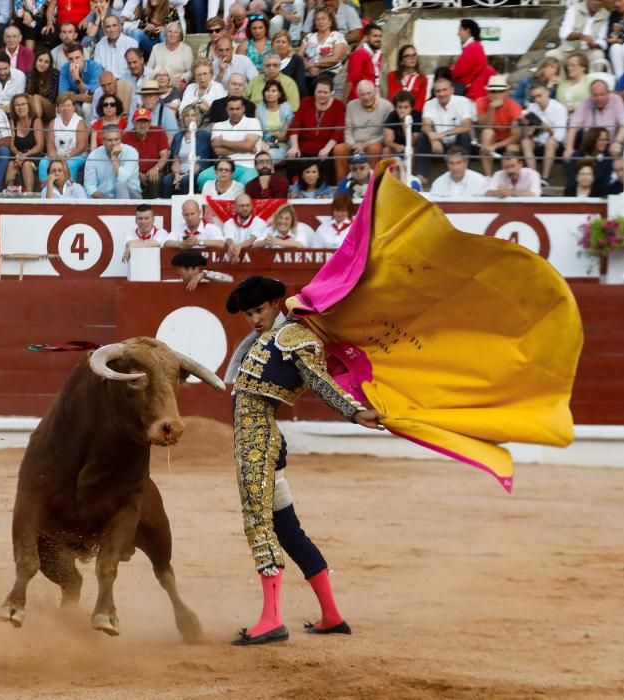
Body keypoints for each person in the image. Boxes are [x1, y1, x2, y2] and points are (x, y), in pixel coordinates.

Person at [224, 275, 383, 646]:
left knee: (257, 523)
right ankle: (331, 614)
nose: (254, 318)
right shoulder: (265, 339)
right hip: (259, 440)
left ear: (276, 304)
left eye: (259, 310)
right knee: (288, 530)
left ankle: (272, 619)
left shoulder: (295, 336)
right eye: (248, 313)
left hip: (258, 442)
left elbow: (318, 379)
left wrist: (353, 412)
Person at [287, 75, 344, 186]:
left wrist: (327, 149)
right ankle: (295, 187)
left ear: (331, 92)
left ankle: (327, 188)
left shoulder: (338, 105)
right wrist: (294, 146)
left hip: (326, 146)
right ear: (314, 91)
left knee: (329, 158)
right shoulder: (306, 102)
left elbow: (338, 130)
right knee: (291, 156)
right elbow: (295, 124)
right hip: (304, 146)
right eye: (319, 92)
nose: (321, 95)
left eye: (325, 92)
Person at [415, 77, 473, 181]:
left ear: (452, 90)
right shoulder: (429, 104)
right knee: (423, 136)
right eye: (438, 91)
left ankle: (465, 173)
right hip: (439, 145)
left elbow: (467, 126)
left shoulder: (463, 102)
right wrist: (433, 138)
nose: (441, 94)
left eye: (444, 90)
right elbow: (426, 124)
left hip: (457, 143)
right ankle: (421, 175)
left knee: (464, 136)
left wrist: (442, 134)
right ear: (434, 92)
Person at [332, 80, 391, 181]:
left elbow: (384, 134)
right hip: (354, 143)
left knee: (375, 150)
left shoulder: (386, 106)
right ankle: (342, 185)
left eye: (369, 93)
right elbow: (348, 130)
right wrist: (354, 145)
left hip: (374, 141)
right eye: (363, 95)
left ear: (375, 92)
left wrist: (366, 144)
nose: (367, 97)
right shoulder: (351, 105)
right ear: (358, 95)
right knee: (339, 149)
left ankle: (371, 183)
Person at [200, 95, 263, 188]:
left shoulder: (253, 122)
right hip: (223, 166)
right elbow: (218, 151)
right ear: (226, 109)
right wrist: (245, 148)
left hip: (247, 166)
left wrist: (222, 142)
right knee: (202, 178)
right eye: (231, 109)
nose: (234, 112)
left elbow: (248, 145)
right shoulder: (218, 126)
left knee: (248, 182)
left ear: (243, 109)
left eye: (237, 109)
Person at [521, 82, 569, 186]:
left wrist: (548, 129)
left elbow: (559, 136)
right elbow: (527, 127)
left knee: (551, 142)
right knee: (525, 141)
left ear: (547, 93)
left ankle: (545, 177)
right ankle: (533, 176)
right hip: (538, 141)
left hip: (556, 144)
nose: (537, 100)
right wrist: (530, 131)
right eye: (534, 97)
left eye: (539, 96)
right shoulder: (532, 108)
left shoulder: (559, 108)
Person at [160, 104, 213, 198]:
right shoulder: (178, 136)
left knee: (186, 181)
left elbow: (201, 163)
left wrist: (184, 176)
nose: (190, 118)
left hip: (196, 172)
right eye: (187, 115)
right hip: (179, 172)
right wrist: (177, 175)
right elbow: (175, 159)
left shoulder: (205, 136)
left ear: (198, 118)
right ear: (183, 118)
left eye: (193, 115)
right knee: (166, 180)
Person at [565, 79, 624, 157]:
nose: (598, 98)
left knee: (616, 151)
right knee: (569, 157)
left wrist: (617, 142)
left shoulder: (616, 100)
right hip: (590, 146)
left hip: (609, 145)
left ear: (608, 93)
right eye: (595, 95)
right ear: (591, 94)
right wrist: (569, 148)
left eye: (601, 94)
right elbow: (573, 126)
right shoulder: (585, 102)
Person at [37, 92, 89, 185]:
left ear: (74, 107)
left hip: (77, 155)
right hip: (57, 155)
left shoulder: (80, 122)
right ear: (58, 108)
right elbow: (50, 144)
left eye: (68, 105)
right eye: (62, 105)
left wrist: (66, 156)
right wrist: (53, 156)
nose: (65, 108)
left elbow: (82, 147)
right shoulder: (53, 122)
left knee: (69, 165)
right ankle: (45, 190)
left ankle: (70, 190)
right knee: (43, 163)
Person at [476, 76, 523, 178]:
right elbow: (484, 126)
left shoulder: (514, 106)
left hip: (508, 141)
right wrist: (491, 107)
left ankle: (507, 178)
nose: (497, 95)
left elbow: (516, 136)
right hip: (489, 140)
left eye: (500, 91)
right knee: (487, 133)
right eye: (493, 91)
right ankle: (488, 176)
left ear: (506, 92)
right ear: (488, 92)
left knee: (512, 148)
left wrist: (495, 146)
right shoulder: (481, 101)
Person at [84, 123, 141, 198]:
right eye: (109, 140)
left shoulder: (131, 152)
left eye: (116, 139)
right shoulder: (94, 155)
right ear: (103, 141)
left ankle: (120, 209)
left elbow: (122, 179)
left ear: (120, 139)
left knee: (121, 185)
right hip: (104, 197)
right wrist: (106, 200)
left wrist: (114, 158)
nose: (114, 143)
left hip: (131, 196)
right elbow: (89, 185)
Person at [299, 7, 347, 96]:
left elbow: (336, 58)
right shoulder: (309, 37)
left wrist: (314, 64)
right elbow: (299, 57)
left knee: (317, 85)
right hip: (308, 71)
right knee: (299, 84)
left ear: (330, 22)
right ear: (315, 23)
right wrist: (307, 66)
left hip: (330, 72)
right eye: (317, 19)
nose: (320, 22)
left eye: (323, 19)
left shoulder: (337, 36)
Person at [122, 106, 168, 197]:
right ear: (133, 123)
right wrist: (138, 173)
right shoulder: (126, 137)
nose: (142, 125)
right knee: (123, 179)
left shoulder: (159, 132)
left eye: (145, 121)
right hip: (134, 171)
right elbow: (123, 161)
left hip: (154, 169)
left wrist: (156, 168)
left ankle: (155, 206)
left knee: (154, 178)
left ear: (150, 123)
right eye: (139, 121)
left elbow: (164, 155)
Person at [4, 92, 44, 192]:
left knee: (26, 164)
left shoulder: (36, 121)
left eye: (23, 104)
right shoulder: (12, 121)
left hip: (34, 154)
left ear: (29, 106)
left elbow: (40, 145)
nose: (20, 107)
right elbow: (12, 144)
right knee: (11, 164)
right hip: (19, 154)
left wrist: (25, 155)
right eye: (17, 105)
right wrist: (18, 154)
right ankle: (9, 192)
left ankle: (29, 194)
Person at [553, 0, 608, 68]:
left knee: (598, 56)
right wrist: (581, 36)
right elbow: (564, 33)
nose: (596, 3)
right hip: (570, 49)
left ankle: (591, 79)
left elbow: (603, 40)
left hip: (589, 51)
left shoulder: (606, 15)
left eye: (599, 1)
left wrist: (594, 44)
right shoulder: (574, 9)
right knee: (553, 55)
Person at [451, 19, 496, 101]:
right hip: (476, 92)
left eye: (460, 30)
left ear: (467, 31)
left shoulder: (472, 48)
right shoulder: (475, 46)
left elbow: (459, 72)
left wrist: (452, 70)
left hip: (474, 93)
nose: (458, 33)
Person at [58, 43, 102, 119]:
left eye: (77, 57)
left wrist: (76, 78)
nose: (74, 61)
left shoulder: (95, 67)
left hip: (92, 102)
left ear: (83, 57)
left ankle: (89, 129)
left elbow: (93, 94)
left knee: (86, 106)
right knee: (60, 106)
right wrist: (81, 97)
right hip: (75, 102)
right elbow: (62, 95)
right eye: (71, 59)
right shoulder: (65, 68)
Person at [566, 126, 612, 192]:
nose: (605, 143)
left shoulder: (608, 159)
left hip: (597, 193)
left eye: (606, 140)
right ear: (593, 139)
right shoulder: (578, 155)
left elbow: (605, 182)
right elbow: (571, 178)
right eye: (602, 140)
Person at [256, 79, 293, 163]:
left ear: (279, 94)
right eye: (267, 90)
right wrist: (275, 134)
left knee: (268, 156)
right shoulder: (259, 108)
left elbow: (284, 136)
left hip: (281, 145)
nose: (270, 93)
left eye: (274, 91)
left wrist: (269, 137)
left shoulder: (286, 108)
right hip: (262, 143)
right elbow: (258, 133)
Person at [343, 24, 382, 104]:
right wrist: (344, 102)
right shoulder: (360, 54)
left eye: (380, 36)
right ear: (366, 38)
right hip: (358, 101)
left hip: (372, 99)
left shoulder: (377, 54)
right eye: (375, 36)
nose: (378, 39)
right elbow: (350, 79)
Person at [148, 21, 193, 85]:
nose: (172, 35)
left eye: (176, 32)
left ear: (179, 36)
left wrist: (182, 78)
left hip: (177, 84)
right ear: (165, 34)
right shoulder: (156, 48)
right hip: (158, 84)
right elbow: (149, 69)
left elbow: (191, 71)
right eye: (170, 32)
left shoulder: (186, 49)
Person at [223, 194, 266, 259]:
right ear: (235, 207)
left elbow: (251, 240)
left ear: (251, 206)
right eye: (242, 206)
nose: (245, 208)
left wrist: (239, 247)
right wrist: (231, 246)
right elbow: (229, 238)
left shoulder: (259, 222)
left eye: (247, 205)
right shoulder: (228, 223)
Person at [386, 43, 426, 113]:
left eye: (414, 55)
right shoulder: (392, 76)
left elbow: (420, 103)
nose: (412, 58)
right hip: (397, 113)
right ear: (401, 61)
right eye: (407, 56)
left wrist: (408, 114)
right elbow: (392, 98)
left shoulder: (423, 79)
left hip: (414, 115)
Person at [383, 90, 421, 157]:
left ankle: (410, 168)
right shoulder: (392, 115)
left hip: (412, 147)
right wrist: (397, 146)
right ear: (395, 108)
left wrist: (404, 122)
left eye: (406, 107)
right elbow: (387, 140)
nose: (402, 110)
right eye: (400, 107)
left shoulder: (417, 116)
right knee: (386, 150)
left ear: (411, 108)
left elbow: (412, 142)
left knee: (412, 151)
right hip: (397, 147)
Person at [27, 48, 59, 123]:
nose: (42, 64)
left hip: (52, 107)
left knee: (36, 97)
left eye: (46, 62)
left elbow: (53, 98)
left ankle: (36, 124)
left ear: (50, 64)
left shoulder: (55, 74)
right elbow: (27, 94)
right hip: (34, 107)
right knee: (29, 97)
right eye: (40, 60)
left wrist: (38, 100)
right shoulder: (30, 74)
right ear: (35, 61)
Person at [271, 30, 306, 98]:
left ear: (289, 45)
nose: (280, 45)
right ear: (272, 45)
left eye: (283, 42)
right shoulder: (268, 60)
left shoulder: (297, 60)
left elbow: (300, 85)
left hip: (293, 97)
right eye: (277, 42)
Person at [121, 47, 153, 115]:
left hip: (149, 113)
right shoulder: (124, 78)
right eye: (129, 63)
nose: (132, 66)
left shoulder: (152, 75)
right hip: (129, 115)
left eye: (134, 62)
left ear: (142, 60)